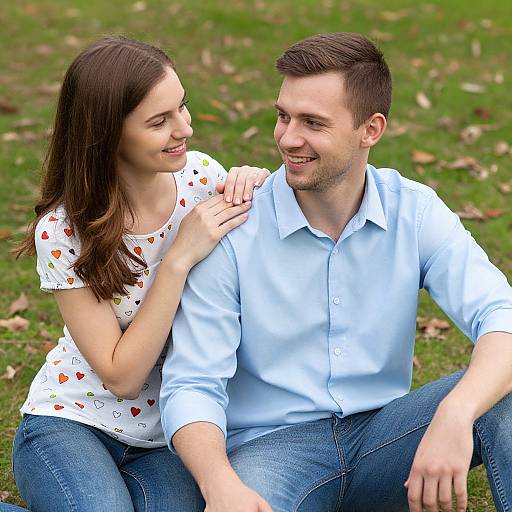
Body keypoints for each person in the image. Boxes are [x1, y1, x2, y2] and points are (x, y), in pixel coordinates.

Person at [160, 32, 512, 512]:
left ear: (371, 129)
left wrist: (456, 412)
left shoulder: (413, 211)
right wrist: (219, 483)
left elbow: (500, 314)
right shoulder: (234, 228)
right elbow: (192, 385)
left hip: (386, 436)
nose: (287, 137)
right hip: (272, 452)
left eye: (313, 123)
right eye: (284, 116)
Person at [12, 36, 270, 512]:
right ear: (107, 134)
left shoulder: (201, 179)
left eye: (182, 107)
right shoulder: (65, 231)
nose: (185, 128)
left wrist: (255, 182)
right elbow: (121, 376)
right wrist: (177, 260)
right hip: (72, 423)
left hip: (169, 434)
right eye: (159, 122)